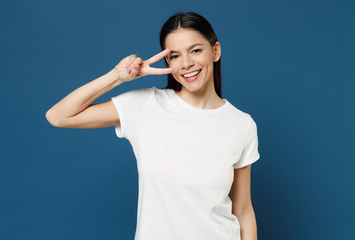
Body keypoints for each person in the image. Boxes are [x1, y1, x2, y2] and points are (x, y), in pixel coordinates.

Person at [46, 11, 260, 240]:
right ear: (168, 62)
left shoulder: (241, 124)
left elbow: (243, 210)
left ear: (215, 51)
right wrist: (117, 77)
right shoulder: (147, 105)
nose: (187, 63)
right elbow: (59, 116)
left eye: (195, 50)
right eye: (175, 56)